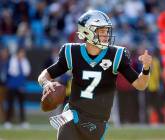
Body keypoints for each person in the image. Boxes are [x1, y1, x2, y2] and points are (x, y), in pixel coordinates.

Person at [38, 10, 152, 140]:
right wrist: (46, 83)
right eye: (101, 31)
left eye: (107, 31)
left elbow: (140, 84)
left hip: (97, 123)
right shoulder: (72, 52)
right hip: (73, 116)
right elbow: (44, 75)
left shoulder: (116, 55)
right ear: (87, 32)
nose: (106, 35)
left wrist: (146, 68)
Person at [4, 48, 31, 129]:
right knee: (10, 104)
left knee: (21, 104)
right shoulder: (12, 60)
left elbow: (27, 71)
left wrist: (22, 62)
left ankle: (23, 121)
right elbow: (12, 72)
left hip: (21, 86)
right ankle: (8, 121)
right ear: (17, 53)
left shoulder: (25, 61)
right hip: (12, 86)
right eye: (21, 53)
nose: (22, 55)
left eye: (23, 53)